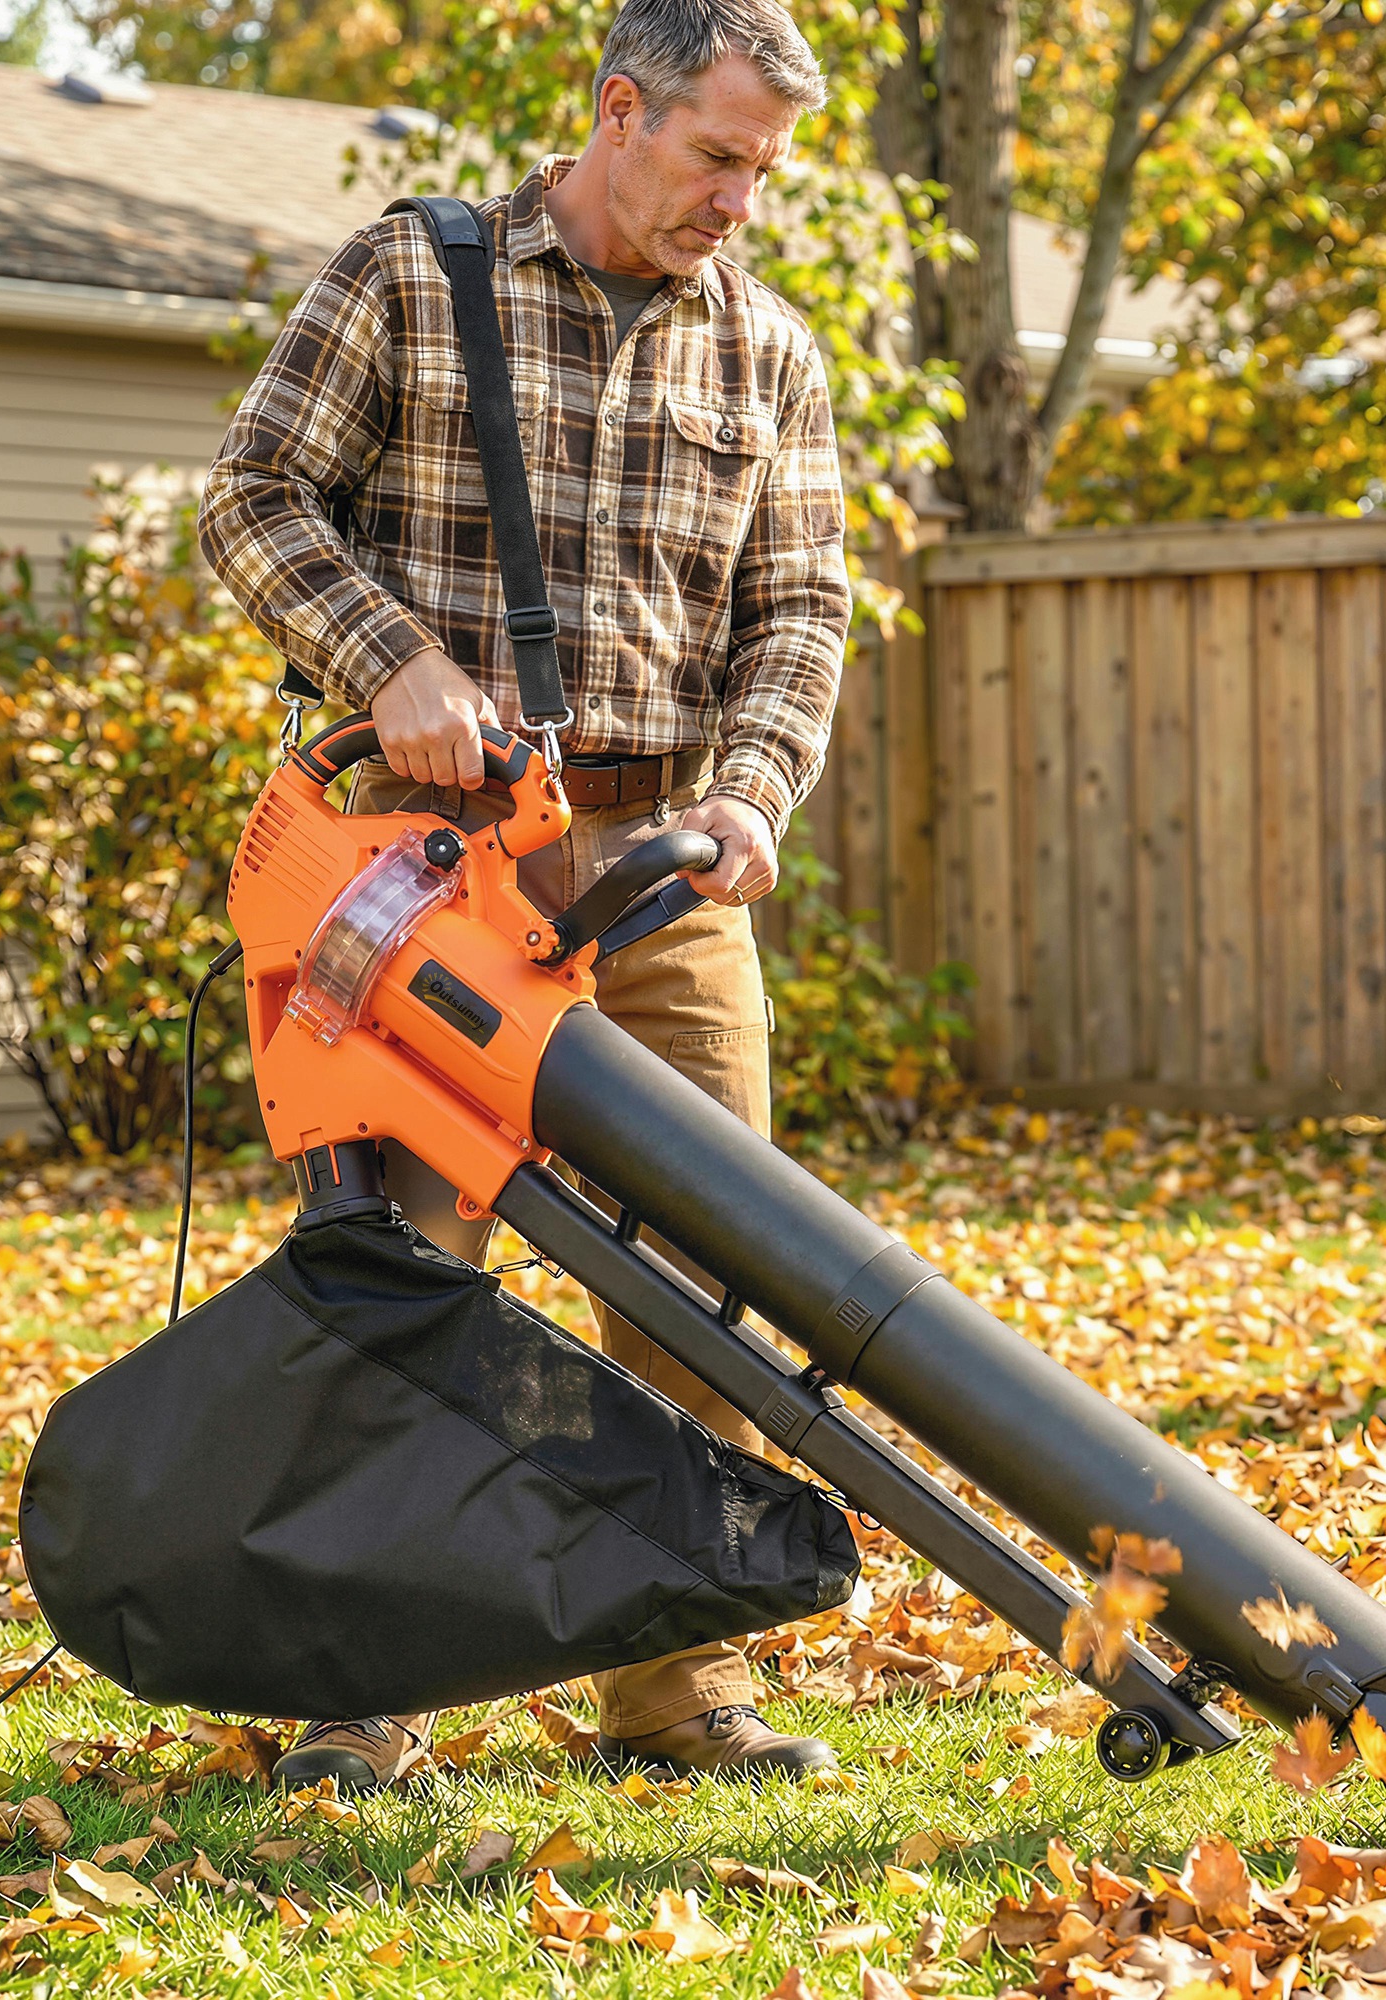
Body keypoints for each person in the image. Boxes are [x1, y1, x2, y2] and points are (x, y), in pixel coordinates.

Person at [197, 0, 849, 1793]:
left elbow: (798, 618)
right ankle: (363, 1690)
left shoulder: (769, 351)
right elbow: (253, 496)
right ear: (619, 112)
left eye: (765, 173)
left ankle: (673, 1686)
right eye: (718, 158)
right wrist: (387, 657)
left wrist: (746, 796)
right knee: (408, 1268)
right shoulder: (420, 274)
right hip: (433, 863)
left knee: (708, 1283)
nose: (742, 202)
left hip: (664, 881)